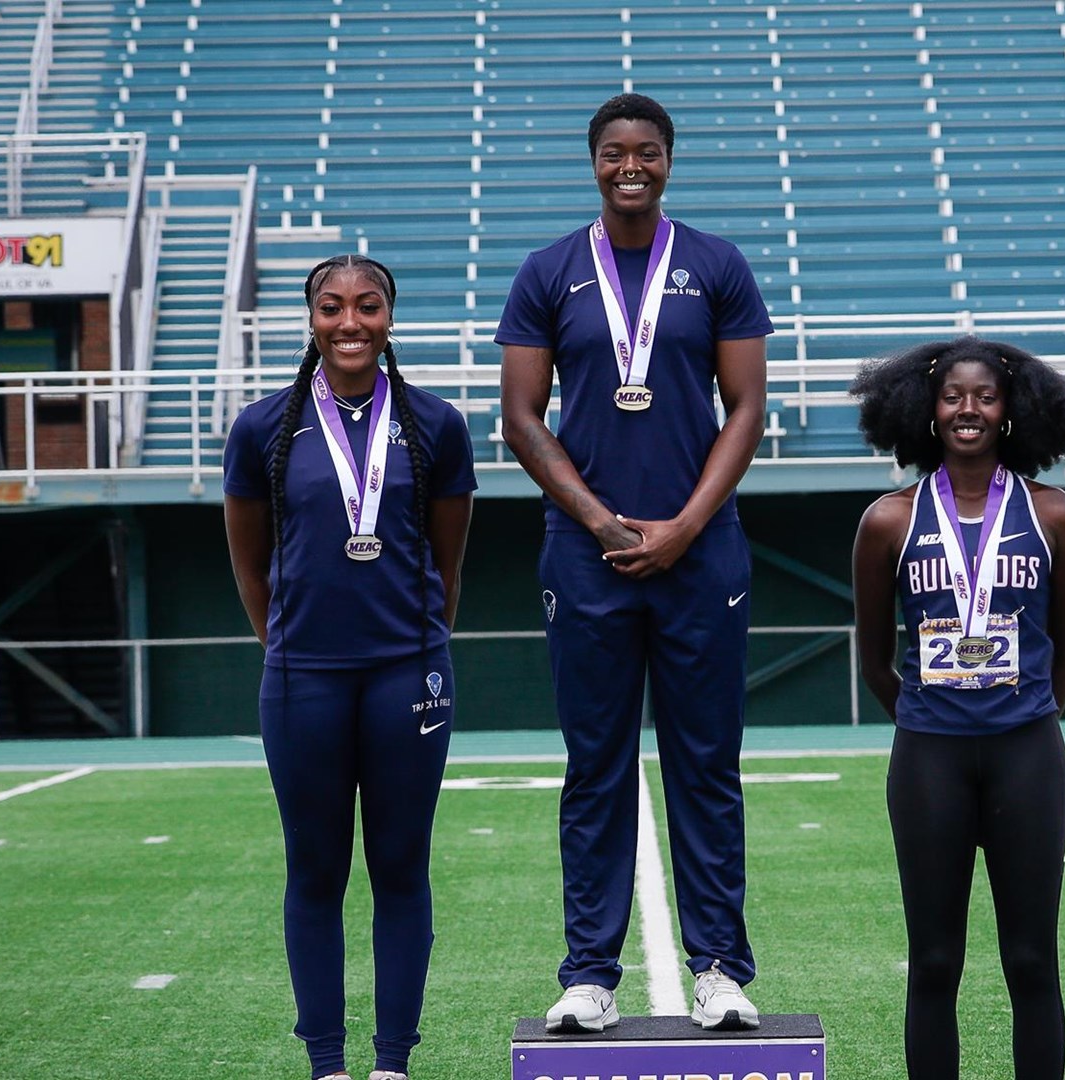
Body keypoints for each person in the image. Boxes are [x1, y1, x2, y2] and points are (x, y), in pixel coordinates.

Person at [495, 92, 774, 1034]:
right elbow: (523, 420)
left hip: (702, 552)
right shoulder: (547, 271)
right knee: (596, 767)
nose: (631, 166)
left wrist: (687, 525)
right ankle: (589, 975)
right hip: (586, 556)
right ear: (593, 161)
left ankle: (722, 972)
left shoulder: (716, 264)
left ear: (668, 160)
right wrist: (604, 524)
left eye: (647, 152)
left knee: (707, 764)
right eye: (615, 152)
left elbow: (745, 409)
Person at [222, 255, 476, 1080]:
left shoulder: (435, 424)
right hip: (304, 680)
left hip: (408, 673)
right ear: (311, 320)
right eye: (332, 309)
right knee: (317, 869)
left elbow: (448, 564)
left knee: (401, 867)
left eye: (368, 307)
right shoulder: (262, 428)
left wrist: (417, 647)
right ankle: (326, 1064)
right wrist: (291, 645)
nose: (350, 323)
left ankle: (392, 1063)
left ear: (390, 318)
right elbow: (250, 565)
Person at [849, 336, 1065, 1079]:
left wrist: (1021, 712)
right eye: (954, 395)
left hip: (1028, 753)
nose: (968, 410)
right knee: (933, 963)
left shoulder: (1057, 517)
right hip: (930, 757)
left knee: (1029, 960)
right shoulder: (889, 521)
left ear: (1011, 410)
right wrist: (930, 717)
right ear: (927, 409)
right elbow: (874, 661)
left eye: (985, 396)